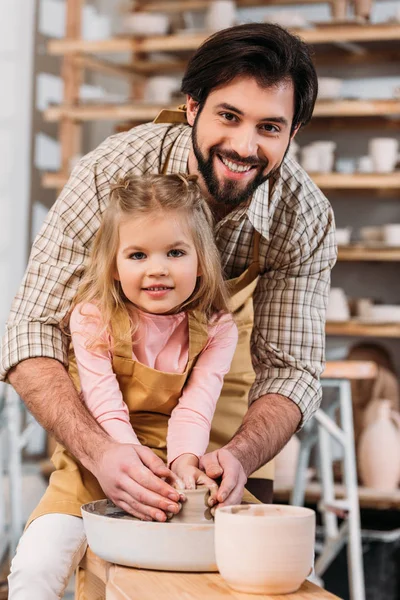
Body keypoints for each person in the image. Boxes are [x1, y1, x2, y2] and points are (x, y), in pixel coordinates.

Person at [1, 23, 337, 522]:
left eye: (269, 127)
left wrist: (240, 456)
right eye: (229, 116)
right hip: (105, 392)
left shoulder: (303, 214)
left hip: (224, 383)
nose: (245, 147)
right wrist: (98, 449)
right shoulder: (113, 171)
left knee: (230, 565)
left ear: (293, 132)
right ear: (193, 107)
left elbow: (291, 369)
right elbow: (32, 330)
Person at [8, 173, 239, 599]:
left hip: (172, 469)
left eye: (175, 252)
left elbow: (195, 407)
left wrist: (186, 464)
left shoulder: (218, 329)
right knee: (35, 567)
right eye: (137, 255)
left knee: (250, 554)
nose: (157, 269)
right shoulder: (92, 317)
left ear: (202, 260)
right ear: (113, 265)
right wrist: (122, 463)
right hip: (95, 462)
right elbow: (105, 405)